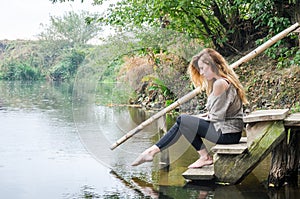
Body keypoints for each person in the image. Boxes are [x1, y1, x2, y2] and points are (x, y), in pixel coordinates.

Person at [131, 48, 248, 168]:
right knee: (183, 122)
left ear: (212, 64)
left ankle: (203, 157)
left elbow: (216, 117)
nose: (201, 73)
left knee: (183, 120)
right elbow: (216, 114)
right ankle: (152, 152)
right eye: (200, 69)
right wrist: (195, 119)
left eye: (203, 68)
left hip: (227, 134)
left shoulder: (220, 84)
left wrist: (192, 119)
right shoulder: (220, 82)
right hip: (229, 133)